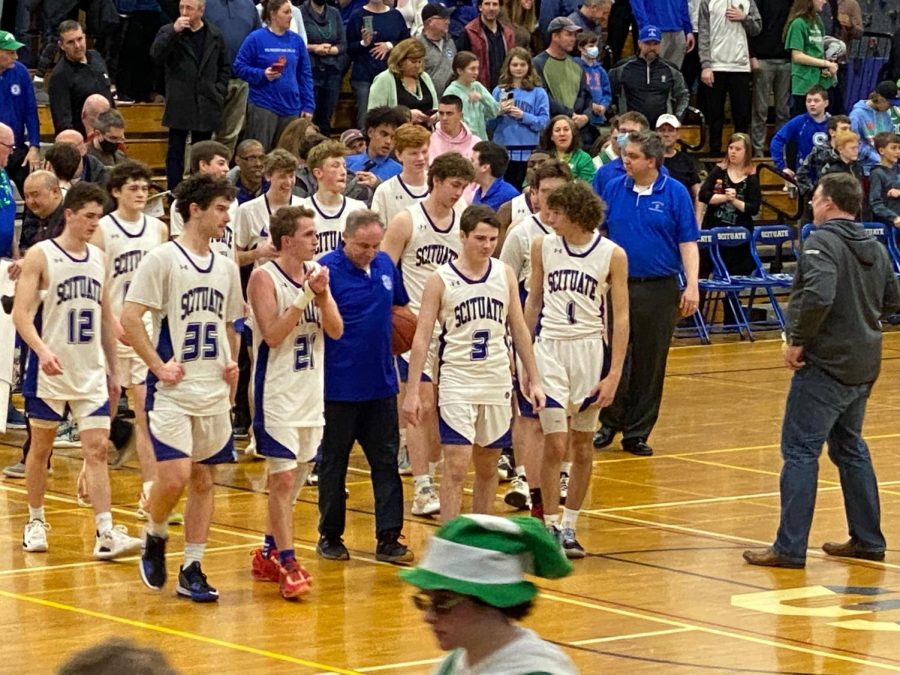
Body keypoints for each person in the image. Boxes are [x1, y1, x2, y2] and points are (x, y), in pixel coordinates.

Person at [743, 173, 900, 569]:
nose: (811, 203)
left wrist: (797, 338)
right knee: (850, 447)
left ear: (829, 203)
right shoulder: (876, 245)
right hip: (864, 362)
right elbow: (891, 299)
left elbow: (818, 294)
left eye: (815, 197)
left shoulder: (821, 243)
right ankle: (868, 539)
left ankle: (790, 547)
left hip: (826, 364)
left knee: (799, 451)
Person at [124, 174, 243, 602]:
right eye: (221, 209)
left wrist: (232, 364)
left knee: (204, 481)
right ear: (195, 210)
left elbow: (230, 325)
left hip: (212, 388)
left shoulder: (227, 266)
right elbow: (130, 317)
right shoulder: (163, 259)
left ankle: (192, 566)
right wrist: (157, 365)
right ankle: (155, 533)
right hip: (174, 388)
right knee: (173, 476)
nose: (227, 217)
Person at [13, 181, 141, 559]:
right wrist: (42, 350)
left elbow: (104, 316)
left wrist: (115, 370)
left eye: (98, 218)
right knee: (41, 448)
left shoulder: (99, 259)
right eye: (88, 217)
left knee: (97, 449)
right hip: (50, 369)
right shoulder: (40, 255)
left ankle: (105, 530)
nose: (93, 224)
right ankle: (35, 520)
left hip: (90, 371)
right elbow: (21, 315)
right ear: (68, 214)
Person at [403, 205, 545, 521]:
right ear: (463, 236)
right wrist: (412, 391)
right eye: (480, 238)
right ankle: (449, 547)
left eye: (493, 239)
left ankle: (481, 539)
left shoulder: (503, 273)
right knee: (455, 464)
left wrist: (533, 378)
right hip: (457, 380)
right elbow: (422, 339)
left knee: (488, 465)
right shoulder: (440, 280)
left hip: (496, 380)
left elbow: (519, 328)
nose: (487, 245)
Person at [523, 181, 628, 557]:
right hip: (549, 348)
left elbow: (621, 316)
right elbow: (532, 304)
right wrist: (525, 361)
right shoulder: (543, 247)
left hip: (588, 351)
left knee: (582, 445)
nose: (549, 218)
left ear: (576, 214)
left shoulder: (612, 254)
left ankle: (570, 525)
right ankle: (549, 523)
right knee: (555, 440)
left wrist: (614, 372)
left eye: (556, 213)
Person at [247, 205, 343, 599]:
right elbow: (272, 334)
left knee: (298, 476)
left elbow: (336, 330)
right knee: (282, 479)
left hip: (310, 391)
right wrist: (307, 296)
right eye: (308, 234)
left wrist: (322, 297)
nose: (316, 240)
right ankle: (287, 561)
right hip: (276, 392)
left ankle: (268, 550)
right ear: (287, 241)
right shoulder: (262, 277)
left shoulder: (317, 273)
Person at [316, 210, 414, 563]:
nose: (370, 252)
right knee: (334, 464)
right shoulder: (325, 270)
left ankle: (389, 536)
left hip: (381, 384)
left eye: (375, 245)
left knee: (385, 463)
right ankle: (330, 535)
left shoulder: (387, 265)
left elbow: (401, 310)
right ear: (345, 238)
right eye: (363, 246)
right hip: (338, 388)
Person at [594, 131, 699, 457]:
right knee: (613, 358)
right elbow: (601, 234)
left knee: (651, 363)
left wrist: (692, 284)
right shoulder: (614, 187)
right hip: (618, 287)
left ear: (651, 161)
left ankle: (637, 432)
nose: (626, 160)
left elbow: (687, 241)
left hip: (659, 287)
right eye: (626, 155)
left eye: (633, 156)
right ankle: (609, 423)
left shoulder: (675, 193)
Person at [384, 152, 475, 517]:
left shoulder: (463, 221)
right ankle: (422, 487)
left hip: (452, 329)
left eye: (463, 187)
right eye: (454, 185)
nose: (458, 192)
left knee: (438, 408)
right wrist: (397, 310)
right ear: (436, 180)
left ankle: (428, 469)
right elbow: (384, 271)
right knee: (419, 402)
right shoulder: (408, 220)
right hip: (413, 326)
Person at [90, 160, 179, 526]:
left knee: (144, 411)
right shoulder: (102, 230)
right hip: (108, 329)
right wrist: (112, 321)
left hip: (144, 329)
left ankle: (149, 490)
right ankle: (88, 472)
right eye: (133, 188)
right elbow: (94, 286)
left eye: (145, 188)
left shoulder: (158, 229)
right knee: (103, 409)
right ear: (116, 192)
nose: (141, 194)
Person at [399, 514, 576, 674]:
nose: (428, 617)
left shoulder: (534, 671)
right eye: (424, 601)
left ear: (490, 601)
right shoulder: (454, 664)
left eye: (443, 603)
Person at [498, 159, 572, 515]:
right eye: (546, 192)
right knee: (528, 412)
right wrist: (513, 339)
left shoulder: (583, 233)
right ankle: (525, 478)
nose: (552, 199)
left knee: (568, 410)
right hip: (532, 322)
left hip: (570, 331)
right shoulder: (521, 232)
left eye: (559, 192)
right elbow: (506, 284)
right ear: (534, 195)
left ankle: (561, 474)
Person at [151, 0, 230, 192]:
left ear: (201, 11)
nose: (184, 12)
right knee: (175, 150)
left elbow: (224, 67)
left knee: (202, 151)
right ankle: (174, 192)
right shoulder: (169, 32)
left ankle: (199, 190)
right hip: (180, 100)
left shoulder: (214, 34)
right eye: (181, 8)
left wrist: (218, 90)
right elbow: (156, 55)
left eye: (189, 8)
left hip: (206, 101)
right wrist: (173, 32)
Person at [233, 0, 315, 152]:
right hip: (264, 105)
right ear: (272, 14)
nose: (291, 16)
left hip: (292, 106)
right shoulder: (256, 38)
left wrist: (308, 105)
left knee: (286, 155)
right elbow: (239, 67)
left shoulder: (296, 41)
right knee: (261, 153)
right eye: (286, 12)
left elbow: (305, 75)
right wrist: (262, 74)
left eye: (290, 12)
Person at [697, 0, 761, 156]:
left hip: (740, 67)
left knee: (742, 116)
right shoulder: (707, 2)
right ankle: (714, 155)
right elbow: (703, 34)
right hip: (716, 66)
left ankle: (742, 155)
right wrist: (706, 65)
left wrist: (744, 17)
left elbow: (757, 29)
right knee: (715, 116)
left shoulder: (747, 1)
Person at [203, 0, 262, 158]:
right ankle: (194, 176)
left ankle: (221, 177)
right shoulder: (204, 3)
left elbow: (257, 38)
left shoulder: (248, 5)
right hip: (209, 79)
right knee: (201, 133)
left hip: (241, 79)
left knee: (230, 133)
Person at [608, 26, 689, 138]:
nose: (652, 47)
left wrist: (677, 118)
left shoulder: (671, 69)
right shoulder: (621, 68)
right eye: (648, 43)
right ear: (639, 43)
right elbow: (608, 93)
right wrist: (615, 118)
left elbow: (683, 95)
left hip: (660, 131)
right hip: (631, 130)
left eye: (655, 44)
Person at [698, 133, 761, 277]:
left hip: (738, 237)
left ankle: (731, 299)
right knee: (703, 269)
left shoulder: (751, 178)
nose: (733, 151)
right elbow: (703, 195)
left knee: (738, 271)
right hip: (713, 230)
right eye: (731, 147)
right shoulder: (719, 171)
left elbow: (754, 208)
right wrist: (724, 197)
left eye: (738, 149)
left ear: (746, 152)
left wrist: (734, 201)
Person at [346, 0, 410, 129]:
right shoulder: (357, 16)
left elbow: (406, 42)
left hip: (390, 75)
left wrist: (389, 45)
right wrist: (363, 43)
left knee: (392, 117)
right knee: (365, 117)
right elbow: (348, 48)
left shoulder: (395, 15)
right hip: (364, 76)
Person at [491, 48, 550, 190]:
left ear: (529, 66)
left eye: (522, 65)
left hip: (528, 153)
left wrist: (523, 116)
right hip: (503, 150)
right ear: (508, 66)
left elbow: (543, 122)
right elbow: (489, 122)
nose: (518, 68)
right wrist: (499, 112)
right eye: (515, 65)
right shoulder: (499, 91)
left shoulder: (538, 92)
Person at [169, 141, 238, 260]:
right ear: (203, 165)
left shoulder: (232, 201)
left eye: (227, 164)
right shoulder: (181, 203)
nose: (227, 169)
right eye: (221, 163)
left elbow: (233, 249)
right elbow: (178, 250)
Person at [299, 140, 369, 258]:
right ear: (318, 172)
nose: (343, 172)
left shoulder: (359, 209)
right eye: (335, 166)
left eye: (344, 166)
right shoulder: (301, 211)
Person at [235, 149, 303, 268]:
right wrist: (258, 253)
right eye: (282, 176)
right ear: (267, 176)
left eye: (291, 176)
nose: (288, 182)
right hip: (263, 281)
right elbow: (234, 258)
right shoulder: (247, 210)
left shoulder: (305, 206)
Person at [532, 17, 593, 143]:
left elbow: (586, 95)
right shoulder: (538, 63)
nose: (573, 39)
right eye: (569, 35)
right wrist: (570, 114)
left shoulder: (577, 65)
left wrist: (586, 116)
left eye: (574, 35)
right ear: (555, 36)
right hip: (552, 131)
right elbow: (544, 97)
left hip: (577, 130)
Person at [47, 21, 113, 137]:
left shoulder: (96, 57)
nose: (77, 46)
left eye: (79, 39)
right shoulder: (60, 75)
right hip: (83, 141)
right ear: (61, 45)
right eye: (70, 42)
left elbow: (109, 97)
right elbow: (63, 122)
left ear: (85, 37)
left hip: (108, 134)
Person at [749, 0, 792, 157]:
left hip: (786, 59)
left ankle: (778, 151)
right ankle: (757, 151)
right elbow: (751, 27)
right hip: (763, 59)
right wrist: (752, 55)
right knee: (760, 110)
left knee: (783, 110)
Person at [0, 30, 41, 193]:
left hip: (16, 148)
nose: (16, 57)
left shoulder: (21, 72)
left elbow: (30, 111)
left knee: (36, 188)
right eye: (10, 52)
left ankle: (32, 219)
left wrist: (34, 146)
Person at [299, 0, 346, 136]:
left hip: (331, 71)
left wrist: (330, 50)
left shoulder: (334, 13)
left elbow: (343, 44)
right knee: (307, 118)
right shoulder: (300, 12)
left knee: (325, 119)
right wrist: (314, 48)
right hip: (310, 71)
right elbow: (295, 41)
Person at [367, 38, 440, 126]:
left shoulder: (425, 77)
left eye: (420, 61)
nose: (417, 65)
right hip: (396, 136)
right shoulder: (384, 79)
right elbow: (373, 116)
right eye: (413, 62)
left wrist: (436, 116)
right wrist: (404, 116)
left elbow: (436, 108)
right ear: (400, 60)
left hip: (425, 135)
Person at [371, 123, 432, 226]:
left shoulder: (441, 186)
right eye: (414, 153)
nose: (421, 158)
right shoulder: (385, 191)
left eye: (424, 152)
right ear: (398, 155)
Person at [784, 0, 837, 116]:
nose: (824, 1)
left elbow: (819, 49)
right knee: (802, 121)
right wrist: (824, 63)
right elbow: (797, 56)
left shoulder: (817, 21)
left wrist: (828, 65)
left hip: (821, 82)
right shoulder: (798, 24)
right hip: (804, 83)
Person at [770, 85, 831, 177]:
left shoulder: (834, 123)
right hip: (805, 177)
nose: (812, 104)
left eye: (816, 100)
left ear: (826, 103)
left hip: (829, 176)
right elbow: (777, 140)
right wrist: (781, 166)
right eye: (808, 101)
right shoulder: (799, 122)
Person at [456, 0, 515, 91]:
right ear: (480, 7)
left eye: (495, 4)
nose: (491, 8)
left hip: (504, 90)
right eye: (487, 4)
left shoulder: (508, 34)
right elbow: (461, 65)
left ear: (499, 8)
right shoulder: (469, 32)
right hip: (478, 91)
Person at [443, 51, 500, 141]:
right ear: (460, 71)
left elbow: (495, 111)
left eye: (477, 68)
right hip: (463, 143)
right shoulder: (451, 92)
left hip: (482, 141)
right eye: (472, 69)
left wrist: (482, 98)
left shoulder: (478, 86)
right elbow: (452, 122)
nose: (476, 72)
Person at [590, 111, 651, 194]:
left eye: (632, 132)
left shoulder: (655, 170)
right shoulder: (604, 172)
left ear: (644, 136)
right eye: (623, 131)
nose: (626, 136)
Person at [657, 114, 702, 220]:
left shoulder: (686, 160)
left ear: (678, 134)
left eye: (670, 130)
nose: (666, 134)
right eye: (662, 130)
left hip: (683, 216)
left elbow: (698, 192)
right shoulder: (650, 160)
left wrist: (698, 220)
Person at [346, 106, 406, 184]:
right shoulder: (347, 162)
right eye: (384, 134)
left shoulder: (399, 172)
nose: (388, 141)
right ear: (370, 132)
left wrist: (378, 185)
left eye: (393, 137)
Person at [849, 81, 900, 173]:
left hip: (887, 168)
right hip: (864, 169)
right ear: (880, 98)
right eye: (890, 104)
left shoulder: (886, 115)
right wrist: (876, 157)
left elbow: (891, 139)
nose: (890, 107)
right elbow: (853, 142)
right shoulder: (857, 115)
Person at [795, 113, 851, 196]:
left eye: (850, 129)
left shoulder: (852, 150)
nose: (848, 132)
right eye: (844, 129)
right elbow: (801, 173)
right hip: (825, 195)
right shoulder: (819, 150)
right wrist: (812, 192)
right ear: (832, 132)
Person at [629, 0, 696, 68]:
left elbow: (683, 4)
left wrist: (688, 30)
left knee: (674, 73)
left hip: (678, 31)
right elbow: (637, 5)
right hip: (655, 32)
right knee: (651, 71)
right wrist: (646, 28)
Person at [539, 115, 595, 183]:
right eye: (557, 130)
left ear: (573, 134)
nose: (562, 134)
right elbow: (528, 184)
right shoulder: (542, 156)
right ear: (551, 137)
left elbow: (587, 186)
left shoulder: (584, 158)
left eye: (566, 130)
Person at [574, 30, 611, 130]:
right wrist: (590, 106)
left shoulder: (601, 70)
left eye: (596, 45)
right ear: (581, 48)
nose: (594, 49)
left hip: (598, 118)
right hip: (581, 115)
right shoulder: (575, 66)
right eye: (590, 46)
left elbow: (607, 93)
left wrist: (603, 106)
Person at [417, 4, 456, 94]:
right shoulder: (417, 45)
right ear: (430, 22)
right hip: (428, 103)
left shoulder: (450, 42)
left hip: (451, 100)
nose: (448, 22)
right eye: (444, 18)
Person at [429, 95, 481, 161]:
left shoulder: (475, 143)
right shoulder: (430, 141)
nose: (444, 118)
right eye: (441, 113)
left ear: (460, 116)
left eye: (449, 113)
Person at [471, 141, 519, 210]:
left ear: (485, 167)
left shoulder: (510, 196)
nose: (468, 165)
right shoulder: (478, 192)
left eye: (472, 161)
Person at [868, 132, 900, 229]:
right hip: (890, 225)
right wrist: (894, 217)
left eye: (899, 148)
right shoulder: (877, 173)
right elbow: (875, 204)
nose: (898, 151)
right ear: (881, 151)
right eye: (893, 148)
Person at [228, 139, 267, 204]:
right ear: (237, 160)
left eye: (261, 158)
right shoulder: (228, 191)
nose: (258, 164)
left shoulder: (273, 187)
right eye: (251, 159)